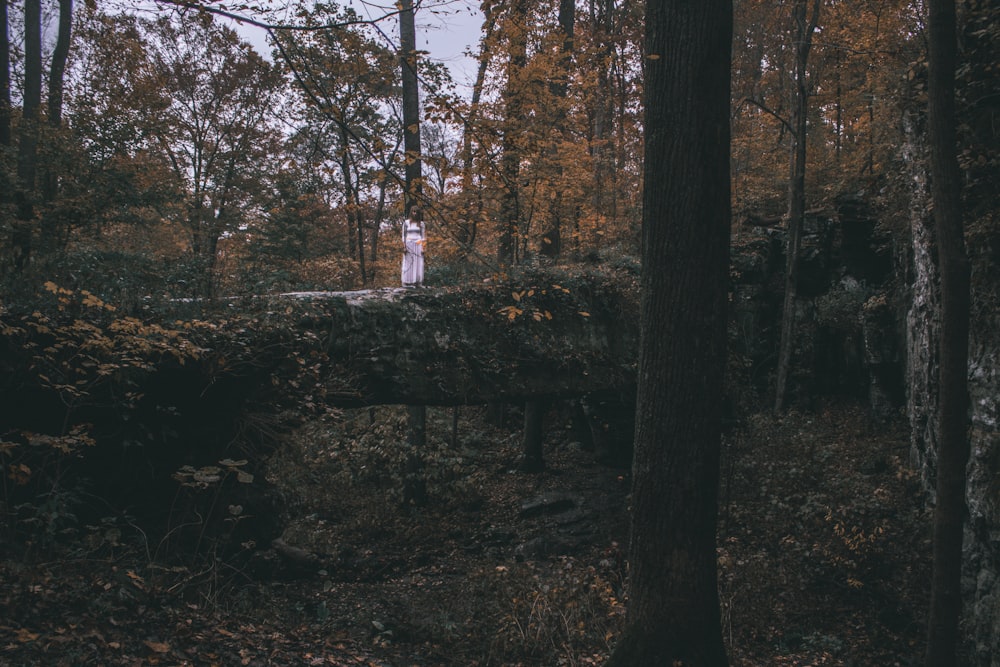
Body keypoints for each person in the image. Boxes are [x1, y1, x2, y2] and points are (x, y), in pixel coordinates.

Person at [401, 207, 426, 287]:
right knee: (408, 263)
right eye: (413, 212)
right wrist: (404, 246)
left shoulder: (421, 224)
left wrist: (423, 248)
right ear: (411, 212)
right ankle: (407, 281)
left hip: (418, 245)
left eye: (416, 212)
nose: (415, 213)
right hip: (409, 245)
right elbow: (403, 236)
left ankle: (417, 281)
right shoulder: (406, 223)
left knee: (418, 263)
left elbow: (423, 237)